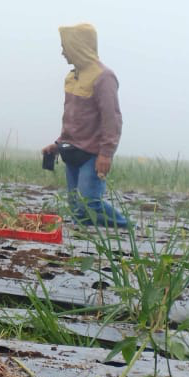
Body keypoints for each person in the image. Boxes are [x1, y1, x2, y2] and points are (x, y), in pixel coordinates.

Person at [42, 23, 130, 227]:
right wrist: (58, 144)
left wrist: (106, 153)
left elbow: (112, 118)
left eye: (66, 46)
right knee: (77, 211)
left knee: (88, 204)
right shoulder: (72, 77)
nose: (63, 52)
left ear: (78, 46)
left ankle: (126, 230)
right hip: (72, 152)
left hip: (92, 155)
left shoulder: (103, 77)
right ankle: (91, 249)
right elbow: (73, 119)